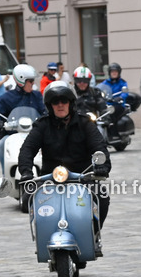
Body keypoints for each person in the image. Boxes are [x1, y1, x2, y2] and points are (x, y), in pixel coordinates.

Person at [17, 82, 112, 245]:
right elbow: (27, 149)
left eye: (64, 101)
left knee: (102, 196)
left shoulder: (85, 124)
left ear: (71, 103)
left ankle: (94, 233)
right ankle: (43, 235)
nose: (60, 105)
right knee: (27, 201)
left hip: (82, 177)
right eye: (55, 102)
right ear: (50, 105)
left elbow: (99, 147)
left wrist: (102, 167)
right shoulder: (42, 125)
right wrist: (26, 172)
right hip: (50, 179)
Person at [0, 64, 45, 172]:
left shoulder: (37, 96)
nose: (33, 83)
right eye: (30, 81)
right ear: (21, 81)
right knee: (2, 144)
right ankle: (5, 175)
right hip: (13, 134)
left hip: (34, 133)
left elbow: (44, 111)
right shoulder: (6, 97)